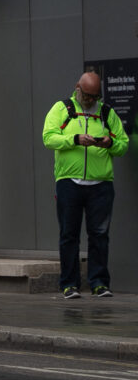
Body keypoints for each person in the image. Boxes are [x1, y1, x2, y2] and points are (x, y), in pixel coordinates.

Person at [45, 70, 129, 299]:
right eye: (87, 95)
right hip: (69, 182)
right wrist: (74, 140)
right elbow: (48, 137)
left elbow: (123, 144)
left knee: (99, 235)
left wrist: (109, 143)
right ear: (77, 88)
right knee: (69, 235)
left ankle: (99, 283)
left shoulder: (106, 113)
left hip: (100, 183)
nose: (91, 100)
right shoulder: (62, 109)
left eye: (95, 96)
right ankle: (69, 284)